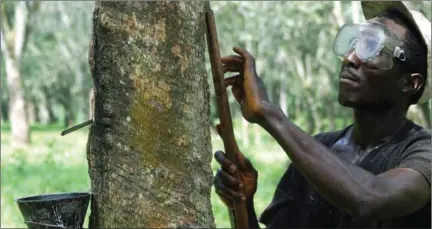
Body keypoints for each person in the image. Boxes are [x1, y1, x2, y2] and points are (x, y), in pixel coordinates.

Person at [213, 1, 431, 228]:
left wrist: (268, 112)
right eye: (354, 43)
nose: (350, 58)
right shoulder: (318, 150)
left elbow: (368, 198)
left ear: (410, 83)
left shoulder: (423, 154)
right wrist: (242, 203)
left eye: (372, 47)